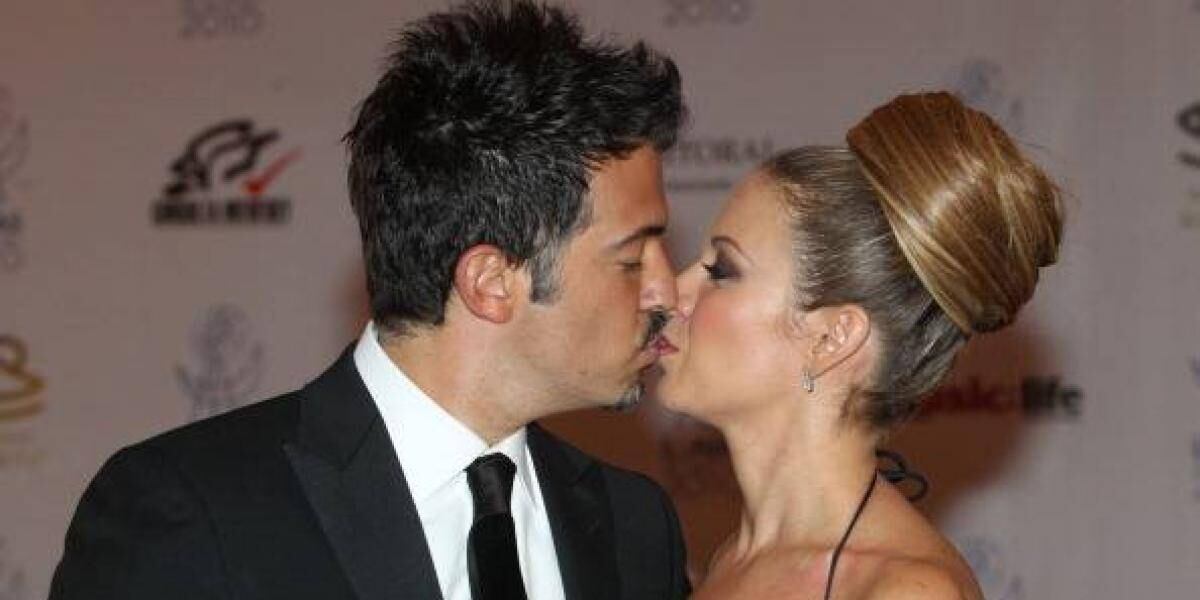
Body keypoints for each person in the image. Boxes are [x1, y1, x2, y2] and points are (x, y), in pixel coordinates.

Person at [50, 1, 690, 599]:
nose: (669, 289)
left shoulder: (635, 526)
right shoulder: (191, 510)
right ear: (490, 282)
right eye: (633, 259)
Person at [655, 92, 1064, 599]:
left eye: (721, 271)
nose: (672, 291)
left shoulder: (905, 591)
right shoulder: (731, 561)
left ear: (832, 337)